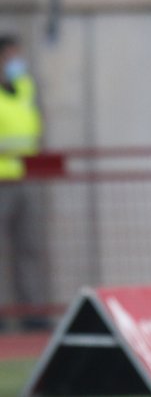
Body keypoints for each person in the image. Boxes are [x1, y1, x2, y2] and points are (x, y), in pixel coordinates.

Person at [0, 36, 45, 331]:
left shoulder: (25, 88)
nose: (17, 62)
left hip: (26, 179)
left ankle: (32, 313)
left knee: (29, 249)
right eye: (12, 56)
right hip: (2, 179)